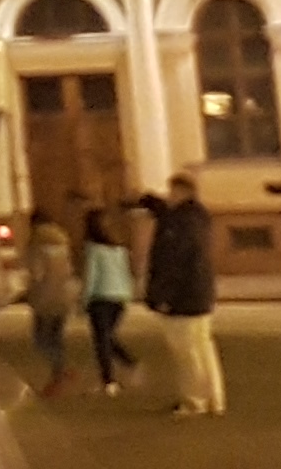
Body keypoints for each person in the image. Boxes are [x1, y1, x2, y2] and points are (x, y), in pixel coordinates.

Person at [142, 176, 226, 417]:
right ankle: (213, 399)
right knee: (202, 348)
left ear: (181, 192)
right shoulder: (196, 217)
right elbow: (167, 217)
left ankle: (194, 401)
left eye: (171, 191)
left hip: (183, 296)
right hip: (199, 293)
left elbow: (174, 261)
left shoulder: (180, 223)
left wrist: (162, 295)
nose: (169, 195)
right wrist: (151, 202)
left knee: (186, 352)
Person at [77, 203, 137, 396]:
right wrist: (127, 296)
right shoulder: (118, 249)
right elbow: (126, 274)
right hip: (119, 298)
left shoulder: (93, 249)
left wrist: (83, 301)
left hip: (100, 298)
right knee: (108, 337)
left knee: (102, 340)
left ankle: (109, 380)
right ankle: (128, 364)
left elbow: (91, 277)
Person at [18, 214, 81, 397]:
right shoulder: (63, 245)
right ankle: (59, 374)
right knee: (57, 337)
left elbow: (36, 274)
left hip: (44, 299)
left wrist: (28, 289)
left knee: (41, 340)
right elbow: (69, 271)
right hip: (63, 298)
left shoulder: (36, 247)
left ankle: (60, 372)